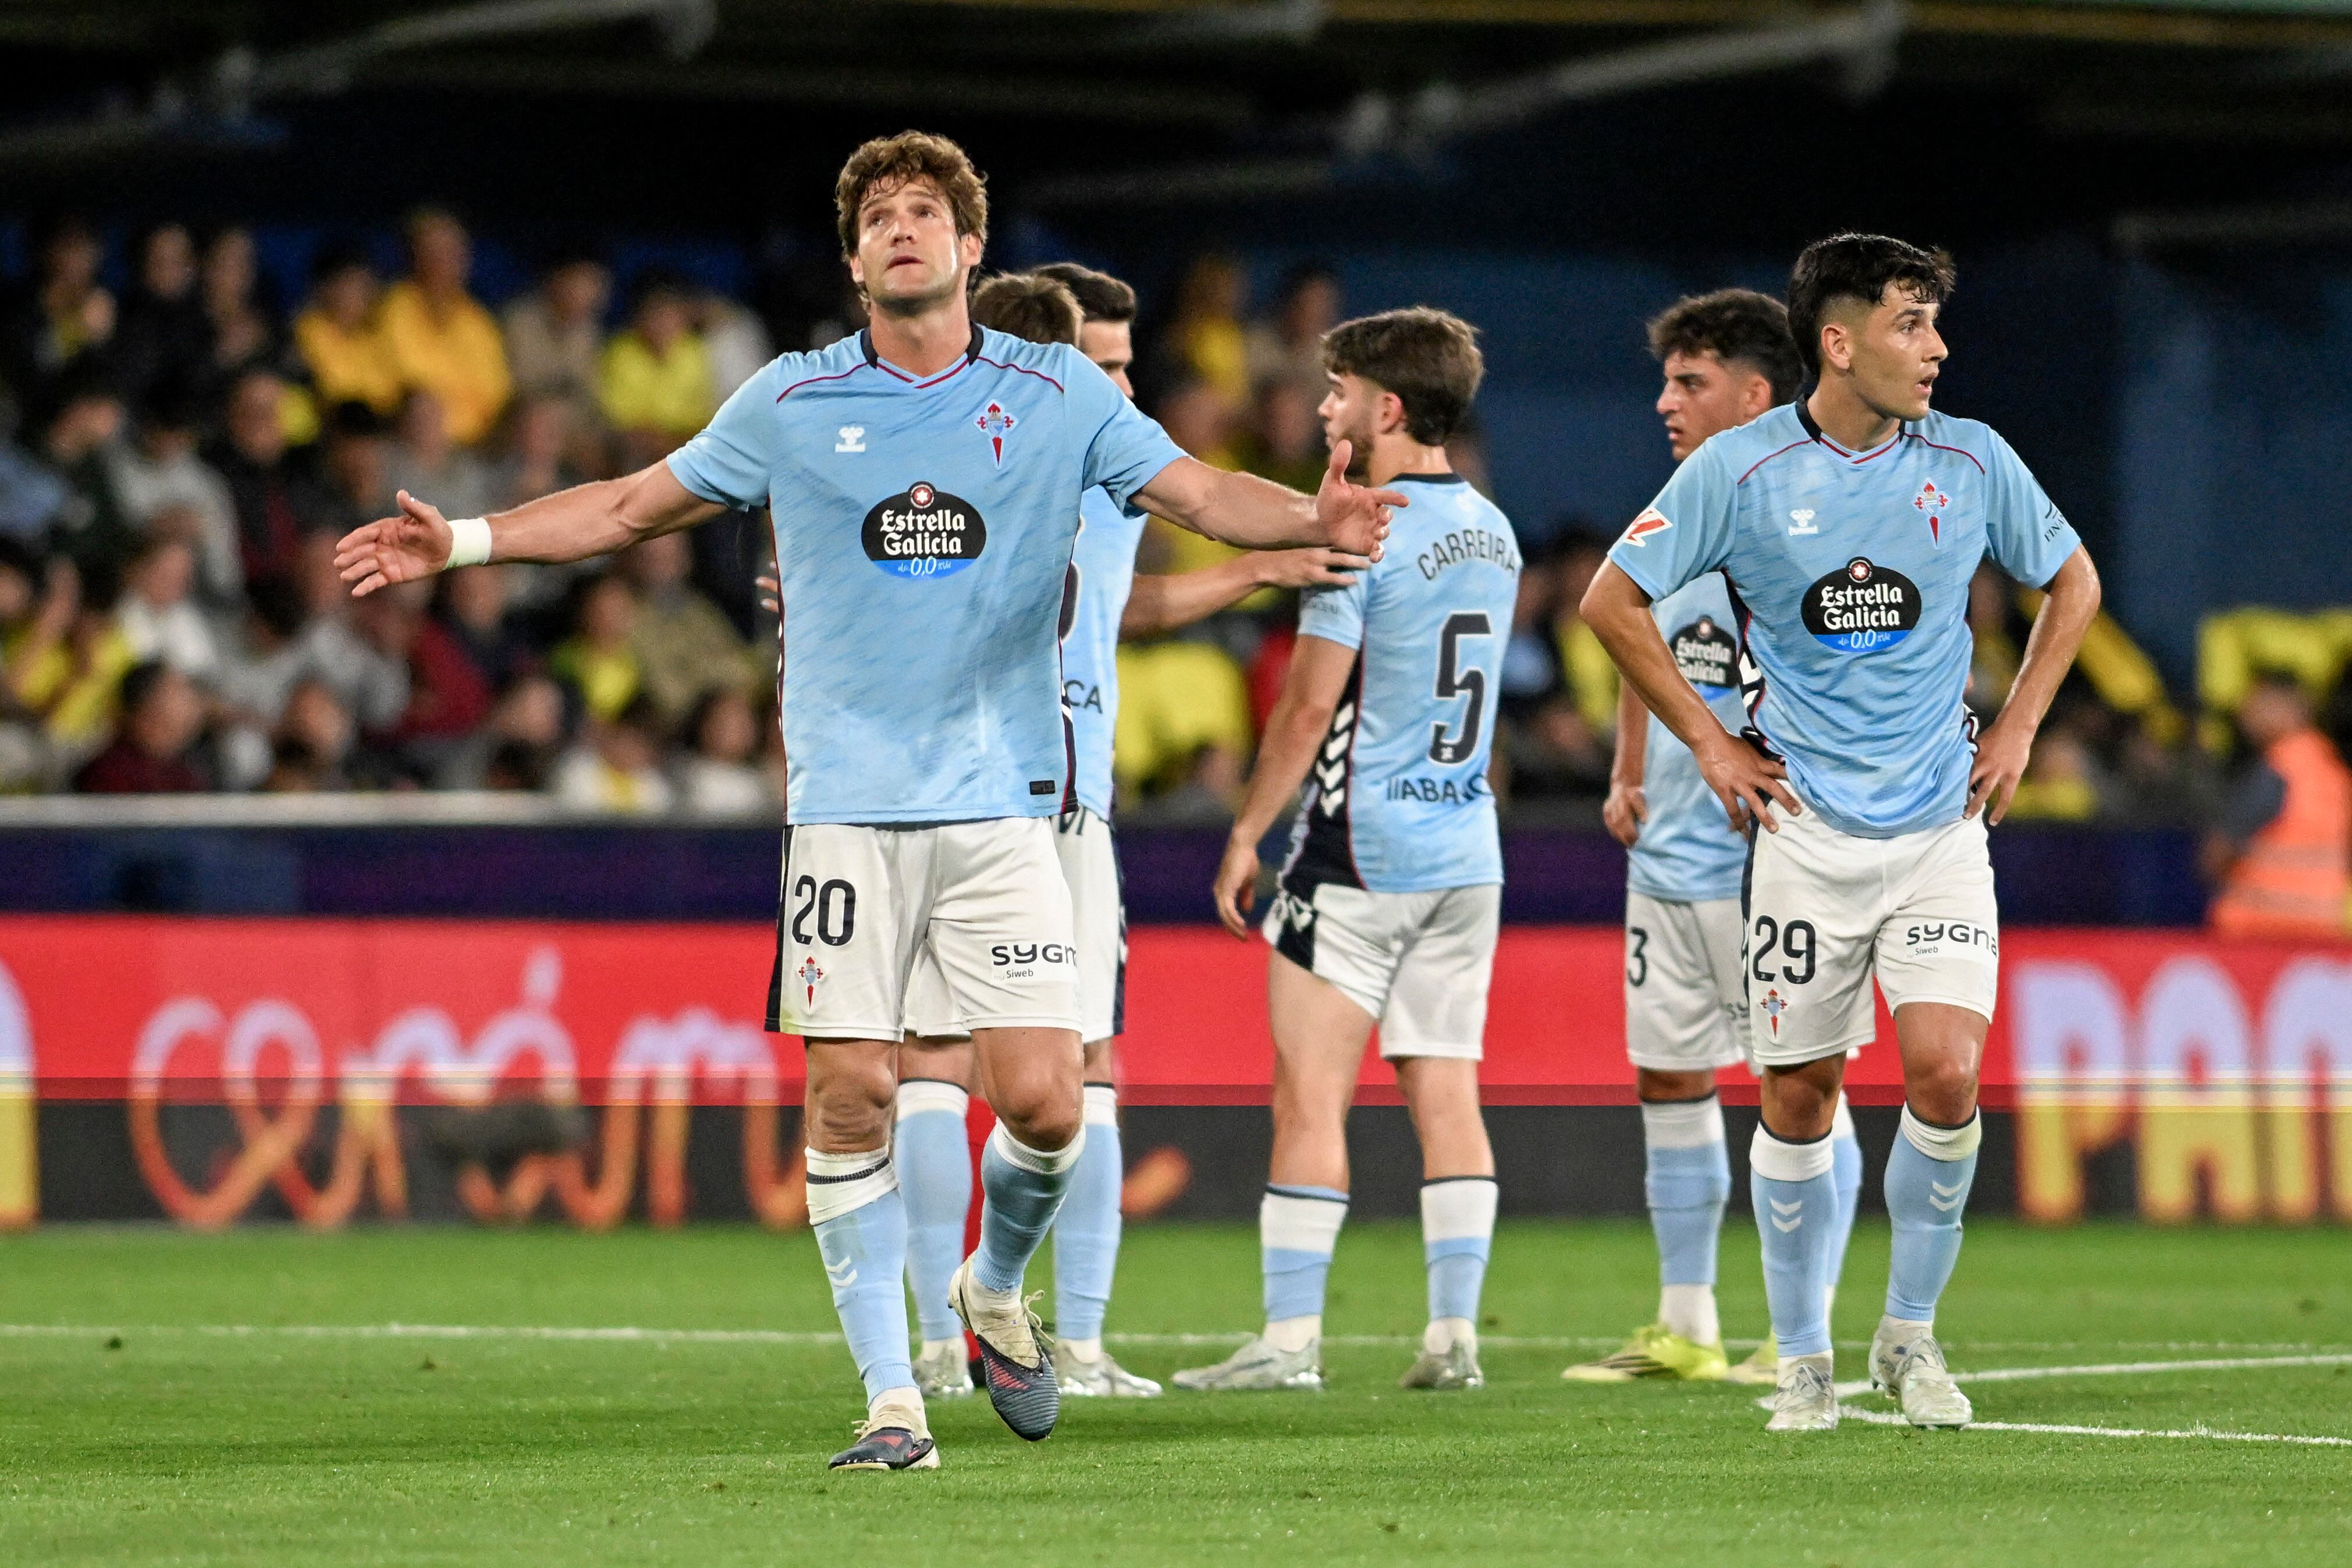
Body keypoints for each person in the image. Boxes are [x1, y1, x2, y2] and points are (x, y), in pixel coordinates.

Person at [332, 129, 1397, 1471]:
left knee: (1049, 1102)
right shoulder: (789, 402)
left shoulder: (1057, 391)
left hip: (1001, 808)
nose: (903, 228)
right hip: (842, 812)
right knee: (849, 1096)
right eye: (879, 215)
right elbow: (622, 509)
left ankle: (993, 1284)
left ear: (967, 249)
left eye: (926, 213)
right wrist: (468, 540)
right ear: (853, 260)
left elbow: (1196, 493)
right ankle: (894, 1399)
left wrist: (1314, 519)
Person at [1580, 233, 2101, 1432]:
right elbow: (1611, 600)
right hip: (1806, 840)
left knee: (1948, 1074)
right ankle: (1803, 1356)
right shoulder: (1741, 472)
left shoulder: (1970, 459)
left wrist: (2016, 728)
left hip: (1935, 829)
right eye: (1911, 323)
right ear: (1838, 339)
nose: (1936, 347)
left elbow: (2068, 581)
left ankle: (1909, 1338)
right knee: (1800, 1094)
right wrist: (1710, 747)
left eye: (1932, 323)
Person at [887, 266, 1367, 1406]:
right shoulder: (1047, 457)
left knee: (1077, 1068)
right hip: (980, 797)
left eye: (1121, 366)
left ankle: (1080, 1341)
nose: (1115, 385)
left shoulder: (1082, 465)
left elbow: (1121, 606)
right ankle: (935, 1334)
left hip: (1063, 803)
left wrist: (1258, 566)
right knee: (943, 1064)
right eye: (1097, 364)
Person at [1175, 307, 1516, 1395]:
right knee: (1446, 1089)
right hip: (1466, 852)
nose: (1324, 407)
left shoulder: (1363, 535)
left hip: (1359, 853)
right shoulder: (1494, 531)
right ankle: (1453, 1337)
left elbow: (1309, 705)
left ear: (1389, 408)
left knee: (1308, 1096)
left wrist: (1245, 831)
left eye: (1339, 391)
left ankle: (1288, 1344)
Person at [1562, 289, 1863, 1388]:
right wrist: (1628, 765)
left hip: (1776, 857)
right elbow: (1636, 624)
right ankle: (1685, 1323)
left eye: (1688, 383)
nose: (1664, 402)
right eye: (1665, 381)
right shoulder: (1678, 506)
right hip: (1672, 859)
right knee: (1670, 1078)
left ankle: (1804, 1331)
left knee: (1803, 1085)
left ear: (1755, 391)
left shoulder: (1817, 513)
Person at [2204, 674, 2350, 937]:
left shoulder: (2276, 771)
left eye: (2258, 703)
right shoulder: (2335, 773)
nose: (2246, 714)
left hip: (2256, 932)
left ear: (2290, 706)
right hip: (2321, 931)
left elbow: (2218, 854)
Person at [380, 209, 511, 446]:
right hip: (409, 444)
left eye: (453, 252)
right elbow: (395, 389)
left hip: (476, 450)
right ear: (413, 256)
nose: (445, 262)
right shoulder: (391, 310)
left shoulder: (479, 322)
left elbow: (495, 398)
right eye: (434, 252)